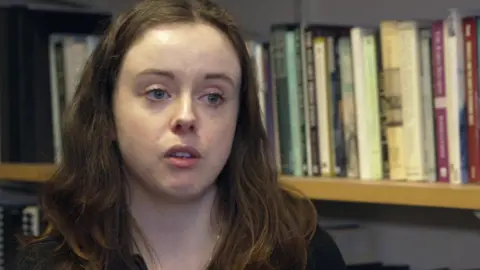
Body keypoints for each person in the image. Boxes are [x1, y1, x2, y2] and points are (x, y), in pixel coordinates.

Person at [14, 0, 346, 269]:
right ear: (108, 117)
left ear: (239, 121)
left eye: (213, 96)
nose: (186, 117)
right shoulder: (49, 262)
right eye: (157, 92)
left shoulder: (304, 254)